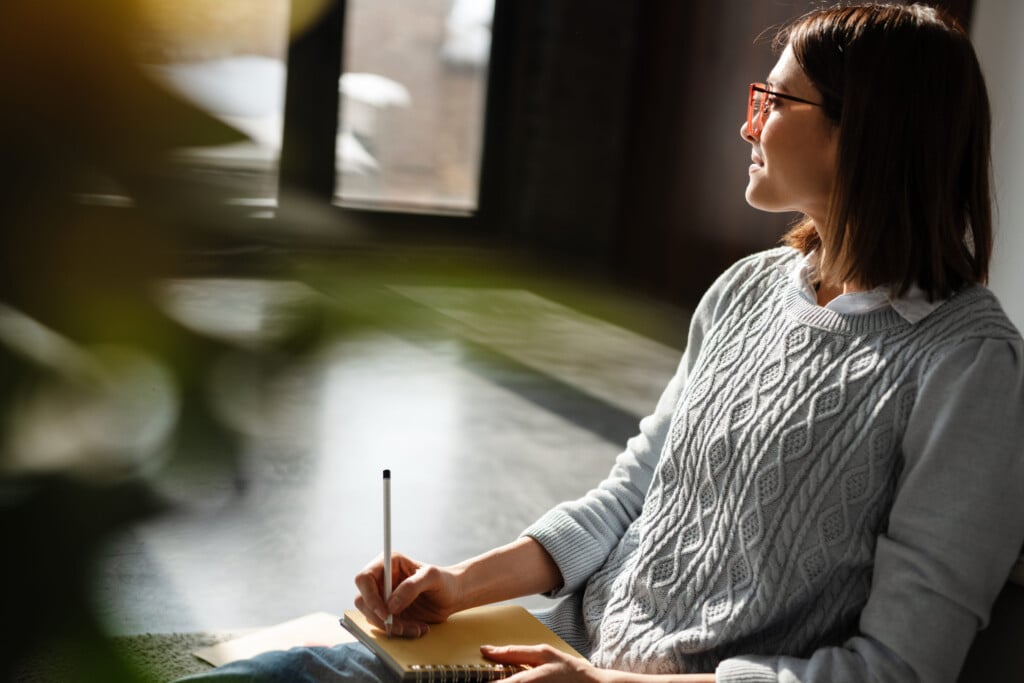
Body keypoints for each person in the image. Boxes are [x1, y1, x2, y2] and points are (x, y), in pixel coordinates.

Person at [179, 3, 1024, 681]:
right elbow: (631, 496)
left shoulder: (967, 364)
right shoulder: (748, 289)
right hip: (569, 654)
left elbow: (902, 666)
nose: (748, 125)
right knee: (288, 667)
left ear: (864, 131)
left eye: (773, 101)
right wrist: (459, 584)